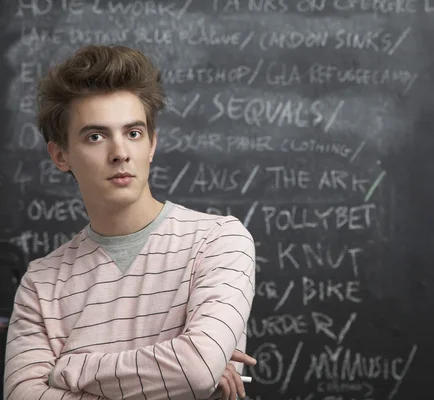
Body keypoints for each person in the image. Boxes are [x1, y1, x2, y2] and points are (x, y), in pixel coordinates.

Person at [3, 44, 257, 400]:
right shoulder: (40, 283)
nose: (120, 152)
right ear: (60, 155)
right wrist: (175, 378)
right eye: (96, 136)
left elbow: (196, 366)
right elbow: (21, 396)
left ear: (152, 143)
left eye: (133, 133)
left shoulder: (219, 241)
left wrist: (69, 368)